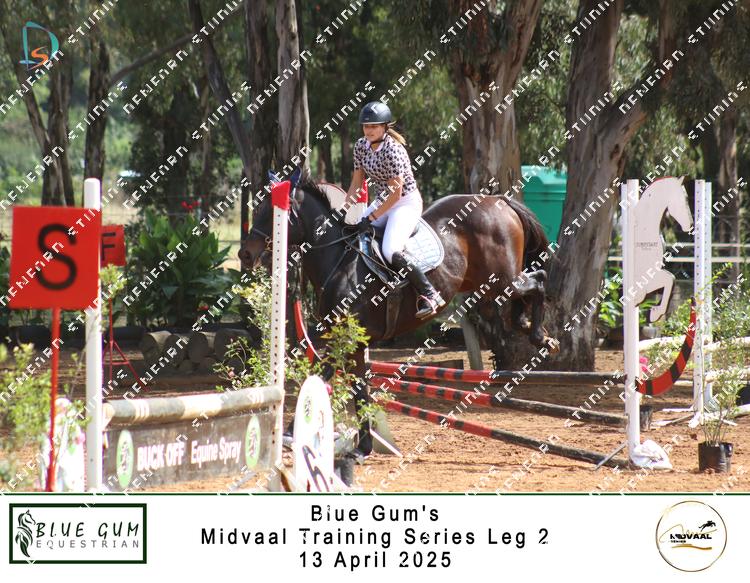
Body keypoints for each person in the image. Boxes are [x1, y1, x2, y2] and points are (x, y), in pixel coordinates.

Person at [347, 101, 445, 318]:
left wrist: (371, 217)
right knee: (352, 233)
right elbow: (357, 183)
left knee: (391, 250)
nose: (369, 130)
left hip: (405, 203)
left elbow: (395, 194)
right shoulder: (361, 146)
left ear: (384, 126)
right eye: (366, 126)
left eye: (374, 126)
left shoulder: (394, 150)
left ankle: (430, 294)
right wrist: (343, 208)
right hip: (383, 201)